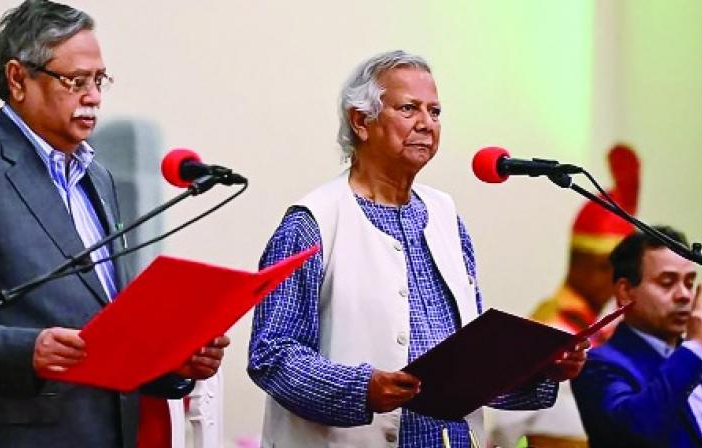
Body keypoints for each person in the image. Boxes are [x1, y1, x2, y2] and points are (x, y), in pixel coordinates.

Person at [0, 1, 228, 447]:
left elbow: (103, 329)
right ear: (18, 79)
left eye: (99, 80)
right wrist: (27, 352)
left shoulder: (98, 178)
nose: (93, 96)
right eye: (75, 81)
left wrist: (170, 360)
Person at [247, 50, 588, 448]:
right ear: (361, 121)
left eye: (436, 111)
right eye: (409, 109)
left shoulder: (446, 217)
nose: (427, 124)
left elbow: (470, 370)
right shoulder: (312, 223)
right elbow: (272, 355)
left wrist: (543, 371)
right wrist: (361, 388)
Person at [489, 144, 640, 448]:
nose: (616, 286)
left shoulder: (599, 329)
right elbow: (503, 426)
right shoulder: (553, 329)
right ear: (588, 266)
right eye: (612, 272)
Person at [571, 226, 702, 447]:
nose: (684, 295)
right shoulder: (598, 365)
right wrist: (695, 346)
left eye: (689, 283)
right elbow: (635, 430)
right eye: (667, 282)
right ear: (625, 292)